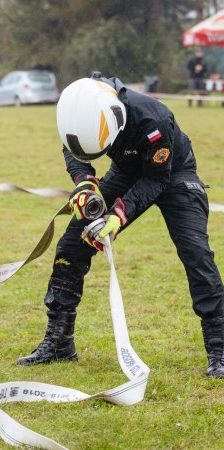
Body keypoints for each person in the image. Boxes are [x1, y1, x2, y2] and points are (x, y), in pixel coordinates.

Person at [17, 74, 224, 379]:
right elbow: (72, 149)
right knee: (71, 246)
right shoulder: (79, 106)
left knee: (196, 255)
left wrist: (118, 216)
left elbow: (156, 178)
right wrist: (83, 184)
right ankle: (60, 343)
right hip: (126, 171)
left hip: (173, 174)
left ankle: (219, 350)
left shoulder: (154, 119)